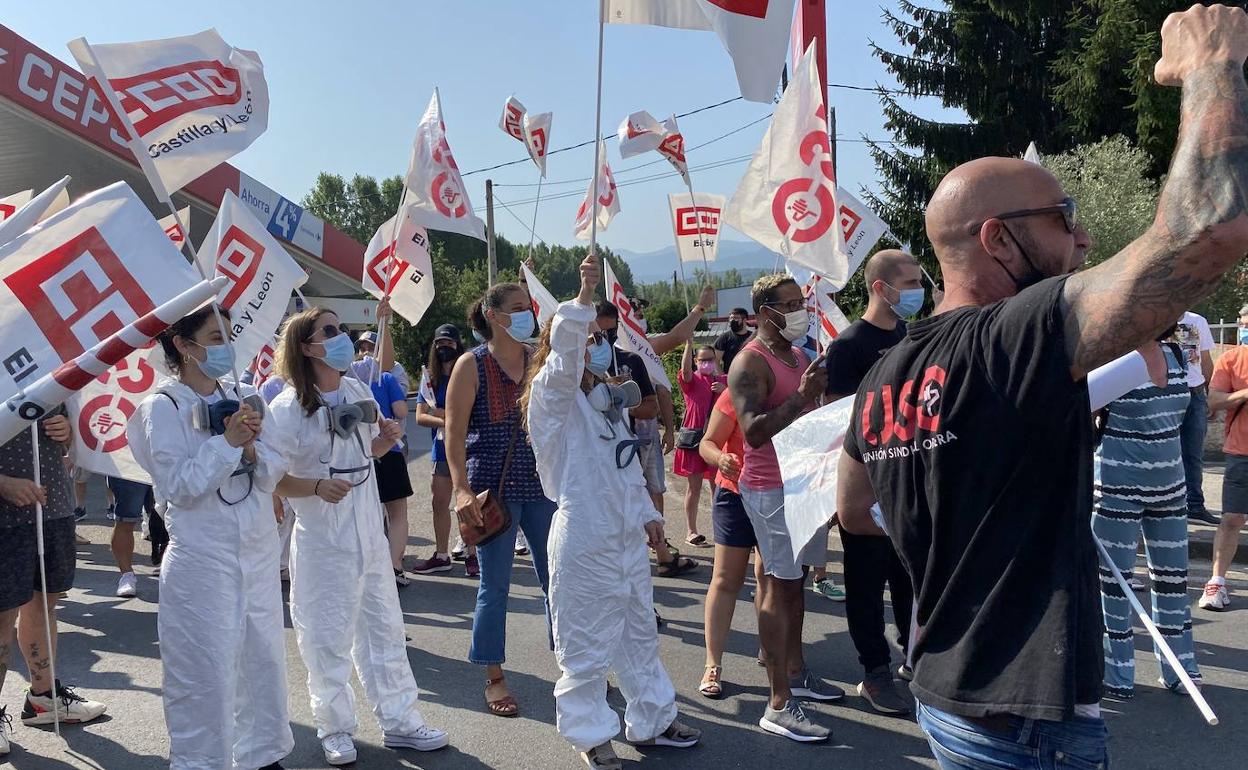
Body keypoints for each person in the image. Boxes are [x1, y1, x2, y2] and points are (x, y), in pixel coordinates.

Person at [838, 9, 1248, 766]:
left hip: (945, 689)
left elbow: (855, 513)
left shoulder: (880, 377)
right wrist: (1213, 62)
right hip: (1025, 722)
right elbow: (1211, 231)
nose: (1083, 237)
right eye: (1064, 218)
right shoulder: (1011, 336)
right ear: (997, 238)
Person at [523, 255, 701, 770]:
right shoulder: (550, 399)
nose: (598, 345)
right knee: (584, 641)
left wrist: (647, 512)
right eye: (588, 338)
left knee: (638, 632)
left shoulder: (604, 399)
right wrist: (580, 298)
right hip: (583, 534)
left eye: (601, 339)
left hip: (623, 532)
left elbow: (623, 464)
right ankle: (591, 734)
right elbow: (560, 369)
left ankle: (653, 718)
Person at [269, 307, 448, 766]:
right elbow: (270, 477)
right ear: (307, 347)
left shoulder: (355, 388)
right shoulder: (286, 409)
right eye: (329, 331)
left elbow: (364, 449)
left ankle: (401, 721)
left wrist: (385, 442)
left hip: (368, 531)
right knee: (325, 635)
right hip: (322, 540)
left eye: (341, 329)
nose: (341, 337)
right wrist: (313, 487)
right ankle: (334, 727)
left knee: (384, 629)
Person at [127, 304, 293, 770]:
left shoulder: (244, 393)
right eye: (213, 338)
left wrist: (255, 447)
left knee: (263, 663)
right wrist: (227, 444)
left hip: (257, 554)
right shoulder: (162, 407)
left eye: (227, 335)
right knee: (205, 673)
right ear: (182, 344)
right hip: (203, 561)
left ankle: (262, 755)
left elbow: (276, 469)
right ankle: (200, 762)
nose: (225, 346)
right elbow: (178, 487)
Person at [729, 273, 841, 742]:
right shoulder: (748, 364)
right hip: (770, 489)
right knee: (777, 584)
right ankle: (777, 703)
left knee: (796, 587)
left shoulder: (797, 355)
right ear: (764, 312)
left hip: (802, 485)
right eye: (791, 304)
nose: (801, 310)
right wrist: (801, 396)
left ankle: (796, 672)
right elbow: (753, 431)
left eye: (802, 301)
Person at [446, 283, 555, 718]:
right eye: (516, 309)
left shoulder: (539, 359)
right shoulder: (469, 365)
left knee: (558, 582)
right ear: (492, 316)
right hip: (490, 491)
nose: (526, 315)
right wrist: (459, 488)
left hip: (543, 485)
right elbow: (453, 434)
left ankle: (574, 666)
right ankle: (494, 676)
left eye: (527, 308)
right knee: (495, 587)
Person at [824, 249, 920, 715]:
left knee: (909, 581)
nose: (918, 290)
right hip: (866, 489)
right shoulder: (848, 346)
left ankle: (913, 659)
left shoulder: (909, 333)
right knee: (865, 586)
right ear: (881, 288)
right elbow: (840, 421)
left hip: (909, 483)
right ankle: (874, 674)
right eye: (910, 282)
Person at [1092, 331, 1202, 700]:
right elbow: (1078, 411)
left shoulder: (1179, 356)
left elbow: (1192, 412)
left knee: (1174, 580)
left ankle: (1179, 667)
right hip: (1116, 485)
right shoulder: (1112, 357)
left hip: (1171, 486)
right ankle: (1117, 672)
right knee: (1113, 583)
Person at [1, 411, 109, 754]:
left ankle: (43, 699)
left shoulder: (49, 373)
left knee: (44, 602)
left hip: (53, 508)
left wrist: (67, 434)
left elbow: (77, 438)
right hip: (5, 517)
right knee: (2, 616)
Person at [696, 388, 763, 699]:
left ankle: (774, 650)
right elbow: (706, 444)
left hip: (780, 494)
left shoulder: (800, 379)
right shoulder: (737, 389)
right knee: (726, 579)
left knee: (772, 579)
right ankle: (713, 664)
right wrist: (721, 458)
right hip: (734, 494)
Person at [411, 324, 471, 576]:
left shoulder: (468, 373)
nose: (444, 348)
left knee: (468, 502)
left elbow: (473, 414)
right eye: (440, 343)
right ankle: (442, 554)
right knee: (440, 502)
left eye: (449, 343)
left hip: (469, 448)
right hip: (441, 448)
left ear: (458, 345)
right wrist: (449, 420)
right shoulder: (429, 380)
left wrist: (443, 414)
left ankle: (472, 553)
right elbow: (420, 417)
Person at [1204, 305, 1248, 610]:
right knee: (1232, 518)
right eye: (1243, 323)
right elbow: (1214, 400)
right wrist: (1244, 394)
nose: (1244, 329)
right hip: (1241, 452)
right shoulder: (1232, 359)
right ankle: (1216, 583)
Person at [1172, 310, 1219, 524]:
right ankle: (1169, 504)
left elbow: (1206, 359)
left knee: (1193, 453)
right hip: (1168, 391)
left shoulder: (1197, 321)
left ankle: (1195, 505)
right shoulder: (1159, 317)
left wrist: (1210, 392)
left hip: (1195, 392)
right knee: (1168, 453)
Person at [369, 363, 414, 588]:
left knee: (369, 514)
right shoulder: (385, 378)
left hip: (361, 455)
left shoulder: (346, 380)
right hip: (390, 447)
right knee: (397, 514)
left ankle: (374, 567)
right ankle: (395, 565)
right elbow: (401, 411)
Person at [675, 342, 724, 546]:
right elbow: (685, 371)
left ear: (716, 361)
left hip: (715, 440)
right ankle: (691, 531)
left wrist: (724, 389)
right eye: (702, 360)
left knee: (718, 489)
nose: (706, 363)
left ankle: (722, 533)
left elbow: (739, 397)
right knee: (694, 488)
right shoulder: (692, 380)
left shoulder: (723, 381)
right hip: (694, 440)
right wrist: (687, 344)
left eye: (710, 360)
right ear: (696, 361)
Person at [106, 475, 156, 598]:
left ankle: (169, 568)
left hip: (167, 462)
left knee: (171, 519)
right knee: (125, 521)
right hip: (128, 466)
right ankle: (127, 575)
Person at [714, 307, 753, 373]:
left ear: (744, 320)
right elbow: (715, 360)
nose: (732, 320)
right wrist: (722, 377)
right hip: (731, 378)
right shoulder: (724, 338)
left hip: (751, 377)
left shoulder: (753, 337)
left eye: (736, 318)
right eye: (731, 318)